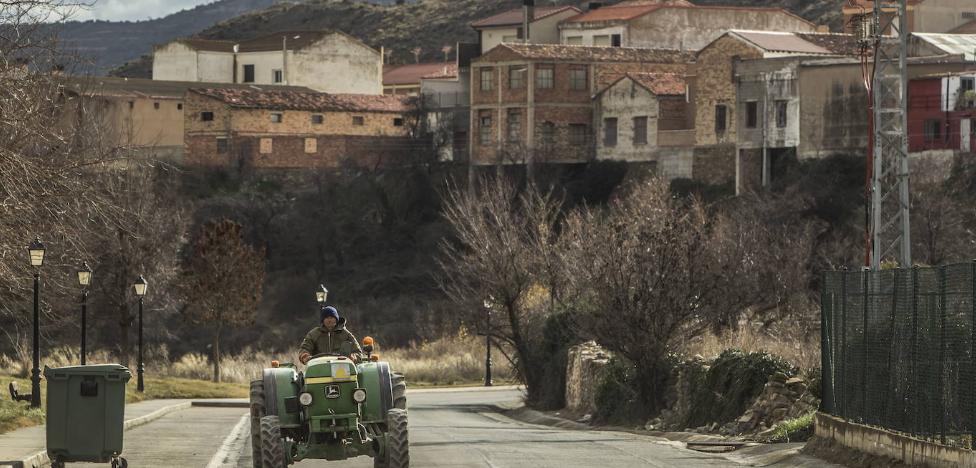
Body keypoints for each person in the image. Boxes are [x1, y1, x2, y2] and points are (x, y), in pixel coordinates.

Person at [299, 306, 364, 364]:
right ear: (323, 320)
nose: (329, 320)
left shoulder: (346, 334)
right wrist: (305, 356)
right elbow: (304, 348)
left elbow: (358, 353)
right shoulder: (314, 334)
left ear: (336, 319)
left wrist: (352, 357)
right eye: (327, 318)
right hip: (319, 367)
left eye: (332, 317)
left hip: (342, 368)